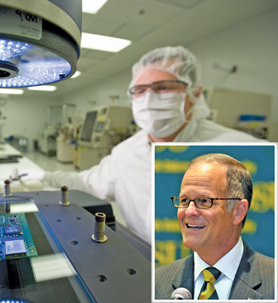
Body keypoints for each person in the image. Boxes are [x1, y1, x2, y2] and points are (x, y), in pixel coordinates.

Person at [40, 46, 263, 245]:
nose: (148, 99)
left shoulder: (242, 151)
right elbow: (87, 182)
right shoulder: (127, 152)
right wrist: (44, 176)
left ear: (193, 93)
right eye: (140, 90)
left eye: (163, 87)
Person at [155, 153, 274, 300]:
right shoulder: (156, 284)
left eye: (204, 201)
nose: (189, 211)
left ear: (238, 211)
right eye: (184, 200)